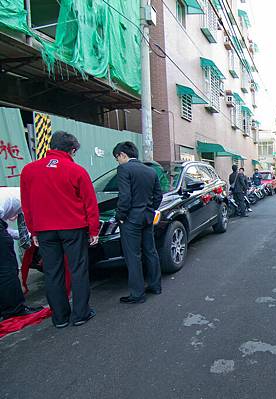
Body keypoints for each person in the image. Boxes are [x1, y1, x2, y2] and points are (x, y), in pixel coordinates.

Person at [20, 131, 99, 328]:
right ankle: (81, 314)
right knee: (78, 270)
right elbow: (90, 203)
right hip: (73, 227)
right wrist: (93, 231)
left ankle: (60, 317)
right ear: (72, 150)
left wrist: (33, 231)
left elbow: (26, 204)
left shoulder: (29, 170)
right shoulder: (76, 170)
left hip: (45, 230)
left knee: (52, 272)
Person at [113, 142, 163, 304]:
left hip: (130, 219)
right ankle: (155, 286)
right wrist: (149, 210)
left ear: (122, 155)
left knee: (133, 256)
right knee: (151, 251)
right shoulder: (150, 170)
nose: (118, 161)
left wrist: (120, 215)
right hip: (147, 217)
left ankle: (137, 294)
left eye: (117, 158)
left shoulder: (124, 169)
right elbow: (158, 195)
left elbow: (125, 196)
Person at [0, 188, 42, 320]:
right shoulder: (30, 197)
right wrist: (34, 235)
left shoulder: (11, 196)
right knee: (7, 269)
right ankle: (15, 310)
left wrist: (27, 236)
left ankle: (5, 307)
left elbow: (8, 229)